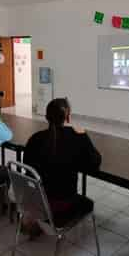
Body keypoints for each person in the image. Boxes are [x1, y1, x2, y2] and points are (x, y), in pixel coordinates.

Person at [23, 98, 101, 235]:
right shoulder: (77, 138)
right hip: (62, 204)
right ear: (68, 117)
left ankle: (37, 220)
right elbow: (95, 163)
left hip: (36, 200)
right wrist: (84, 136)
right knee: (87, 203)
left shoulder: (34, 139)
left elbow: (28, 170)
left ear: (46, 117)